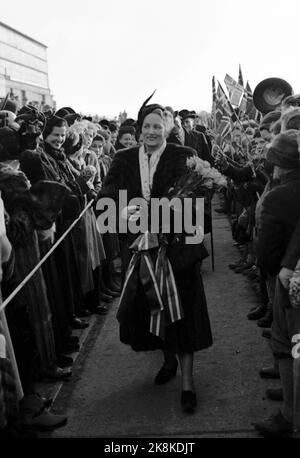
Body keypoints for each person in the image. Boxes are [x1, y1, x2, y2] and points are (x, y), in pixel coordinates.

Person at [99, 99, 212, 412]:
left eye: (157, 126)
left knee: (184, 312)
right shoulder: (122, 158)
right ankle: (168, 360)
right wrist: (127, 211)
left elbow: (200, 198)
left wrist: (170, 213)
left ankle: (188, 383)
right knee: (154, 310)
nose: (151, 131)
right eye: (146, 126)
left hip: (177, 250)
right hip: (140, 249)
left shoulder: (184, 156)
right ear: (139, 129)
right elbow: (105, 197)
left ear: (168, 128)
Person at [253, 129, 300, 437]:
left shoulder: (277, 196)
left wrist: (276, 269)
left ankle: (289, 415)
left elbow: (267, 252)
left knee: (286, 347)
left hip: (289, 284)